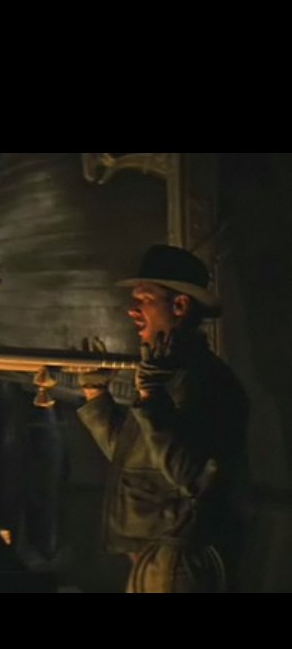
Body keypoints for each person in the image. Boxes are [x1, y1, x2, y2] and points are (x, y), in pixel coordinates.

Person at [77, 244, 248, 592]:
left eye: (145, 299)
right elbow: (133, 457)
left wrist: (153, 398)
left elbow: (190, 475)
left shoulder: (201, 379)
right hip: (158, 558)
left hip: (179, 559)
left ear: (180, 306)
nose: (133, 310)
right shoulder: (167, 375)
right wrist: (96, 394)